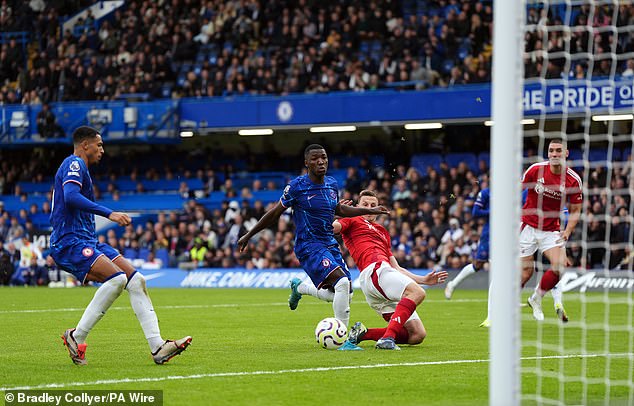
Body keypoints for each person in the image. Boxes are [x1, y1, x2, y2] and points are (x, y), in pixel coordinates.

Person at [50, 126, 191, 365]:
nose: (102, 150)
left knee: (136, 280)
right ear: (85, 145)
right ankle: (76, 336)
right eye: (99, 144)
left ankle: (158, 347)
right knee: (116, 279)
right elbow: (71, 197)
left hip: (87, 240)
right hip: (69, 241)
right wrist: (110, 213)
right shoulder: (74, 164)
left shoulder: (81, 168)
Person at [237, 144, 388, 329]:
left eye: (324, 157)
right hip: (309, 245)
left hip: (329, 243)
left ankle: (301, 288)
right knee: (341, 283)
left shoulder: (331, 184)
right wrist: (249, 234)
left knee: (345, 292)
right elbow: (275, 213)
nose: (321, 161)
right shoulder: (297, 187)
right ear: (306, 163)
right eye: (315, 158)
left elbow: (338, 209)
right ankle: (343, 337)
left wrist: (368, 210)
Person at [333, 190, 448, 350]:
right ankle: (387, 339)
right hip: (375, 271)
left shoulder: (382, 232)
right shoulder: (351, 220)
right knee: (418, 293)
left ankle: (362, 333)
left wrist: (422, 280)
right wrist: (334, 214)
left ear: (378, 209)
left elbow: (396, 267)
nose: (368, 208)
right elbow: (332, 228)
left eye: (373, 205)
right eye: (365, 205)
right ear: (357, 206)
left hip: (383, 276)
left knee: (416, 335)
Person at [522, 138, 582, 322]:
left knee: (560, 266)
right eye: (551, 151)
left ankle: (536, 298)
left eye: (558, 150)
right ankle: (502, 309)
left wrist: (567, 231)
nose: (554, 154)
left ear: (566, 153)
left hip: (551, 230)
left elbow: (576, 210)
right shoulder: (535, 170)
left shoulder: (573, 179)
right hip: (527, 226)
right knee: (525, 273)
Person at [444, 186, 489, 301]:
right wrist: (493, 211)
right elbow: (476, 212)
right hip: (490, 233)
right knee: (478, 265)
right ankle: (453, 284)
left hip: (508, 233)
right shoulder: (486, 193)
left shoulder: (510, 193)